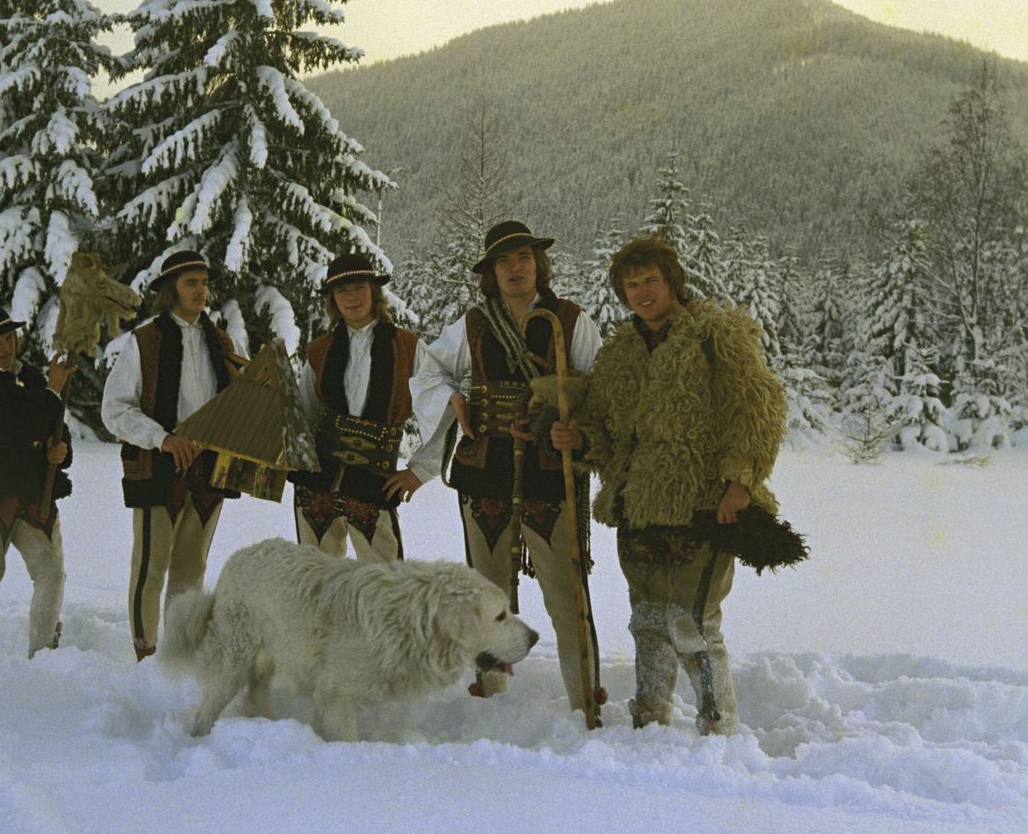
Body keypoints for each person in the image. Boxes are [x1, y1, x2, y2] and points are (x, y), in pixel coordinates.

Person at [558, 236, 787, 735]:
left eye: (651, 281)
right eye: (631, 284)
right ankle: (650, 715)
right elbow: (603, 427)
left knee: (691, 621)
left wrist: (740, 480)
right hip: (637, 506)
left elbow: (759, 408)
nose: (642, 292)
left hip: (701, 503)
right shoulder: (619, 354)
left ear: (672, 282)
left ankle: (718, 724)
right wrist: (579, 437)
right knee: (647, 621)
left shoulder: (716, 335)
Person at [411, 220, 603, 712]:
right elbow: (428, 370)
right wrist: (453, 398)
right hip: (486, 471)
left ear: (539, 263)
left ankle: (586, 698)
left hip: (551, 471)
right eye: (503, 261)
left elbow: (601, 393)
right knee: (487, 597)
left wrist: (576, 430)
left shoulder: (572, 320)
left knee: (567, 596)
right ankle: (491, 698)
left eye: (522, 258)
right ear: (491, 273)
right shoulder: (472, 325)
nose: (515, 269)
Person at [102, 250, 242, 661]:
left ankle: (180, 657)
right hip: (157, 467)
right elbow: (115, 409)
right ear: (170, 290)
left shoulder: (223, 341)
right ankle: (146, 657)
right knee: (150, 569)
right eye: (190, 283)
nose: (201, 291)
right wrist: (162, 439)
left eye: (204, 282)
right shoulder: (144, 341)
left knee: (191, 571)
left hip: (208, 472)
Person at [290, 253, 446, 562]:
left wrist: (421, 470)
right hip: (317, 480)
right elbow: (302, 414)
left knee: (385, 581)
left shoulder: (407, 346)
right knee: (316, 579)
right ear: (333, 299)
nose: (351, 297)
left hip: (376, 479)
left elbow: (441, 409)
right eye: (342, 291)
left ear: (374, 292)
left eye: (359, 287)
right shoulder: (320, 350)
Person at [0, 307, 73, 658]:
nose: (6, 348)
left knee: (51, 575)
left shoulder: (34, 379)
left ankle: (43, 655)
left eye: (9, 338)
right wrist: (53, 390)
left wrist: (61, 451)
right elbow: (15, 429)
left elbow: (56, 428)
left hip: (36, 493)